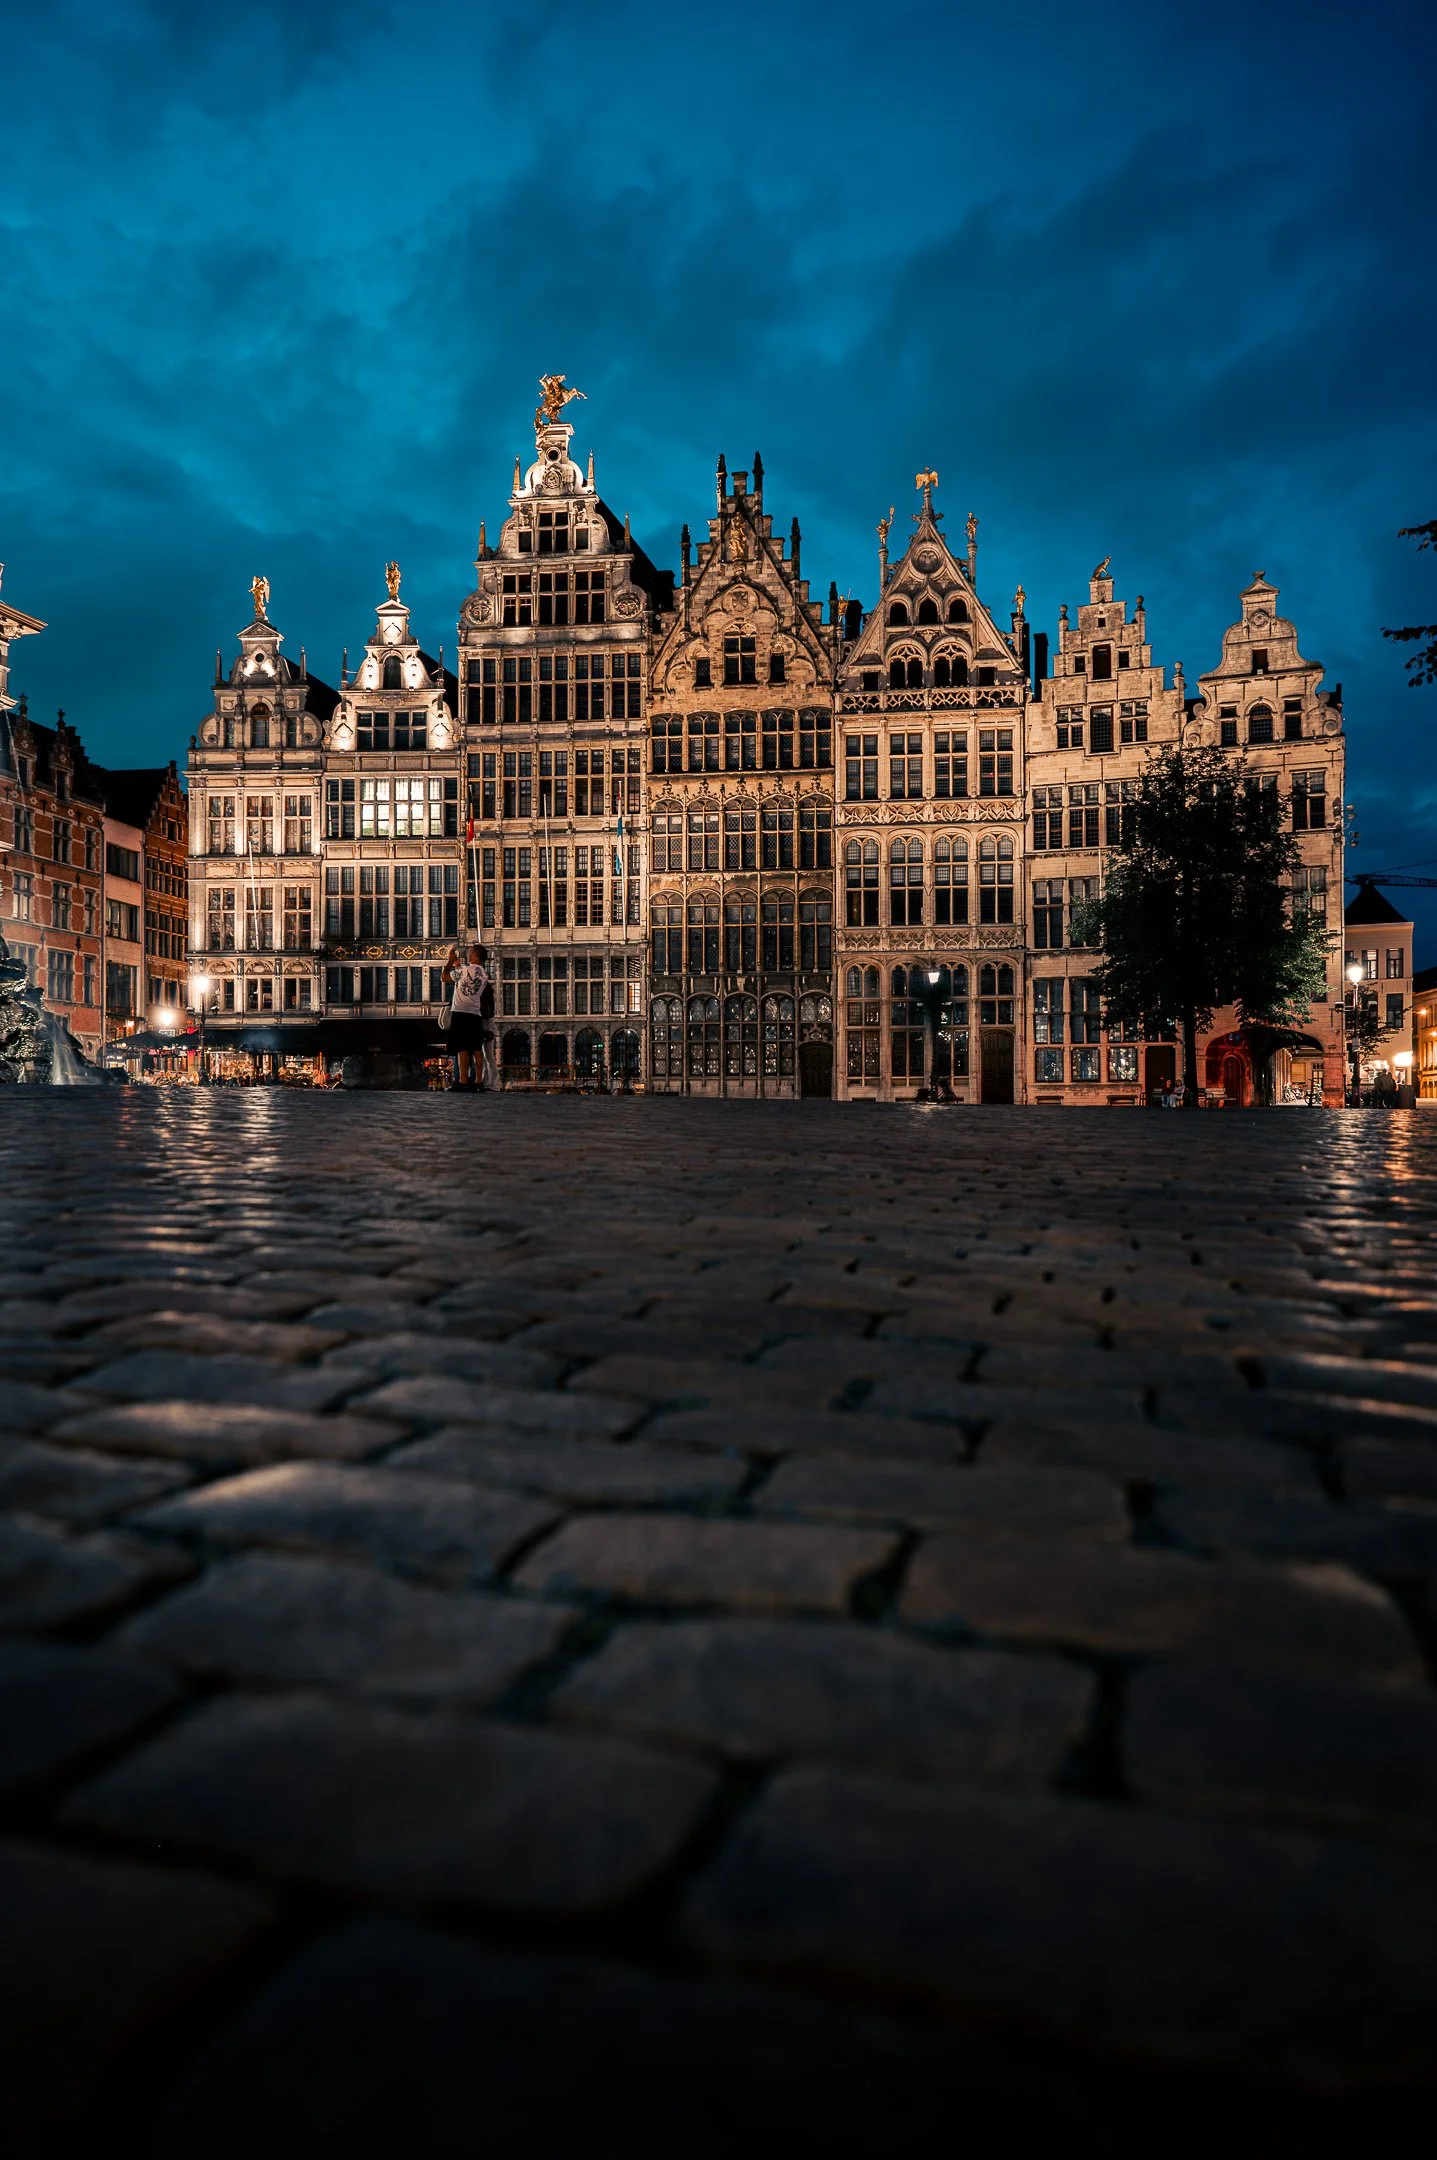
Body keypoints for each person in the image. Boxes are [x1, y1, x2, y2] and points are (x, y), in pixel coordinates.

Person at [444, 942, 491, 1091]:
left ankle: (463, 1081)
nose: (469, 954)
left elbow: (445, 978)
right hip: (475, 1014)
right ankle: (478, 1082)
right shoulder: (484, 974)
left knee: (462, 1047)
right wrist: (458, 966)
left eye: (471, 952)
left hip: (460, 1012)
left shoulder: (464, 970)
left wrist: (450, 962)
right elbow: (466, 978)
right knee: (476, 1048)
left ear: (476, 955)